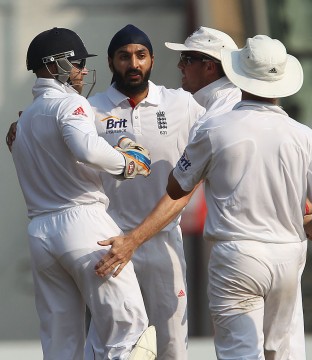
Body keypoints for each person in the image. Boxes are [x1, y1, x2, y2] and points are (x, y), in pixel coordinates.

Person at [95, 34, 312, 359]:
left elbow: (178, 192)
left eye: (187, 59)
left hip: (239, 251)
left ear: (209, 66)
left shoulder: (217, 120)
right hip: (288, 250)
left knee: (240, 353)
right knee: (283, 352)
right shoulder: (303, 133)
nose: (179, 66)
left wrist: (133, 239)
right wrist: (306, 226)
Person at [10, 27, 156, 360]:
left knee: (61, 344)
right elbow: (87, 149)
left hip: (41, 232)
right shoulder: (69, 102)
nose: (84, 71)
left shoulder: (25, 119)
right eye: (77, 63)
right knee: (129, 332)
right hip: (83, 224)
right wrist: (126, 163)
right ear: (55, 64)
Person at [85, 24, 206, 360]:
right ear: (111, 62)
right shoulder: (89, 110)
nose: (133, 63)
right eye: (124, 56)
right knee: (112, 346)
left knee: (171, 345)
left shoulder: (180, 103)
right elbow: (51, 129)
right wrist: (21, 125)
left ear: (152, 60)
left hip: (164, 241)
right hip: (110, 245)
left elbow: (225, 131)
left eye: (140, 55)